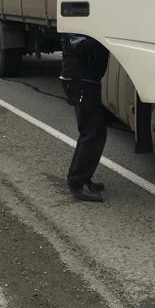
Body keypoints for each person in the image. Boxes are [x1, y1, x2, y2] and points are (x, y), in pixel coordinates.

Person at [61, 34, 109, 202]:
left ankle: (84, 178)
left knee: (95, 131)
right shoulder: (78, 20)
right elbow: (80, 46)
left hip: (85, 80)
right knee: (92, 132)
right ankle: (77, 183)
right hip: (80, 80)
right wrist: (104, 39)